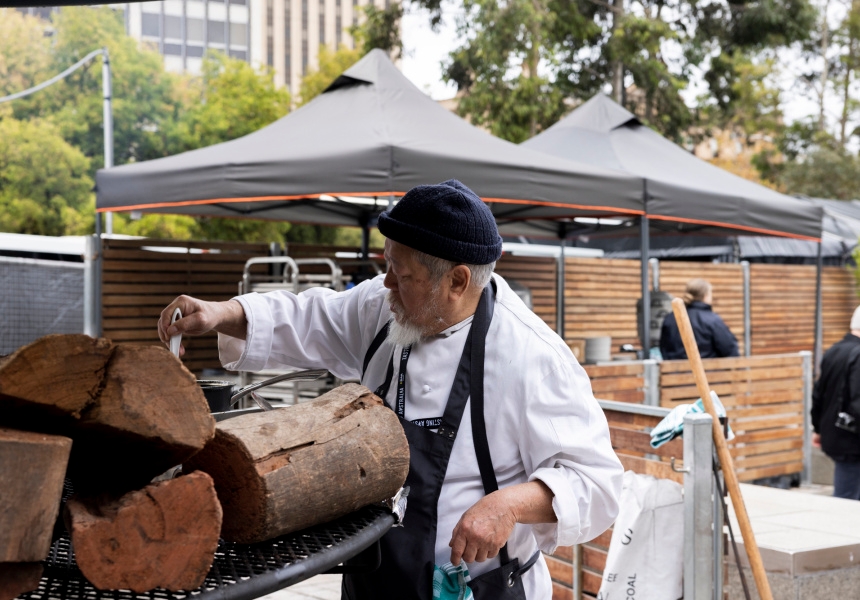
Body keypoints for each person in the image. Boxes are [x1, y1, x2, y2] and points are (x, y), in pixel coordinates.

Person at [158, 179, 623, 600]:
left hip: (470, 589)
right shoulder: (387, 308)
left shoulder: (533, 357)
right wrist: (222, 313)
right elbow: (311, 316)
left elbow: (597, 484)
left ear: (457, 281)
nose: (386, 284)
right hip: (373, 579)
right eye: (388, 266)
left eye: (402, 276)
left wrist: (509, 504)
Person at [812, 306, 860, 500]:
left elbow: (818, 394)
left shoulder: (834, 350)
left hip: (835, 433)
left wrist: (818, 429)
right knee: (847, 498)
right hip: (853, 440)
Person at [659, 278, 739, 360]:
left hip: (674, 371)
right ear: (706, 296)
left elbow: (664, 349)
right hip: (709, 371)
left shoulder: (671, 318)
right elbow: (730, 350)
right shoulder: (712, 320)